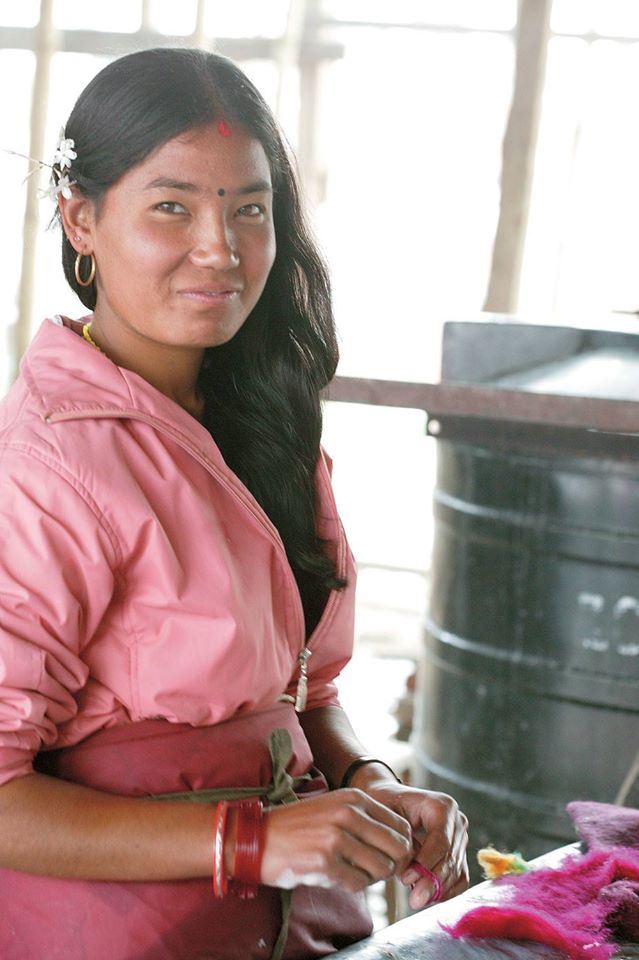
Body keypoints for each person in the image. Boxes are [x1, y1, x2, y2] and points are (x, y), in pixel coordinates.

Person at [0, 47, 468, 960]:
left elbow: (306, 690)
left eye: (249, 209)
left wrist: (370, 782)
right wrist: (248, 841)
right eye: (171, 207)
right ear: (81, 218)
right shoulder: (47, 465)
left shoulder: (264, 424)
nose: (220, 249)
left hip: (288, 928)